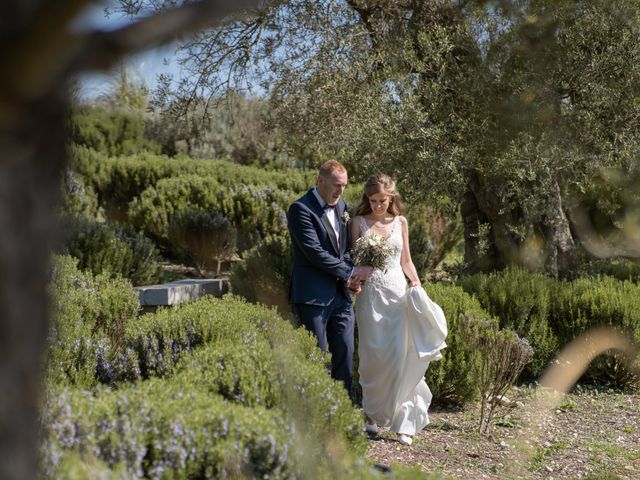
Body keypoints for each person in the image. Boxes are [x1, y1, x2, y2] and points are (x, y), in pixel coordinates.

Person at [351, 173, 447, 446]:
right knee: (372, 358)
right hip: (369, 297)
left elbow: (406, 260)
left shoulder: (401, 222)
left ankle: (403, 422)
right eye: (372, 201)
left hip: (396, 295)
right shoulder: (358, 223)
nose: (377, 206)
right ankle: (371, 417)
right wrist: (356, 279)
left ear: (391, 197)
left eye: (382, 200)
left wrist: (415, 283)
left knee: (399, 356)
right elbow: (353, 260)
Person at [287, 160, 373, 394]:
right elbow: (314, 252)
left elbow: (343, 249)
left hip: (341, 295)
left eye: (344, 186)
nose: (340, 191)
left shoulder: (342, 207)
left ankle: (340, 411)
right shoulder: (300, 209)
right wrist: (351, 272)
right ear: (320, 180)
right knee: (316, 356)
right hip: (312, 296)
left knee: (345, 354)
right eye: (336, 185)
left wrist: (350, 279)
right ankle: (314, 412)